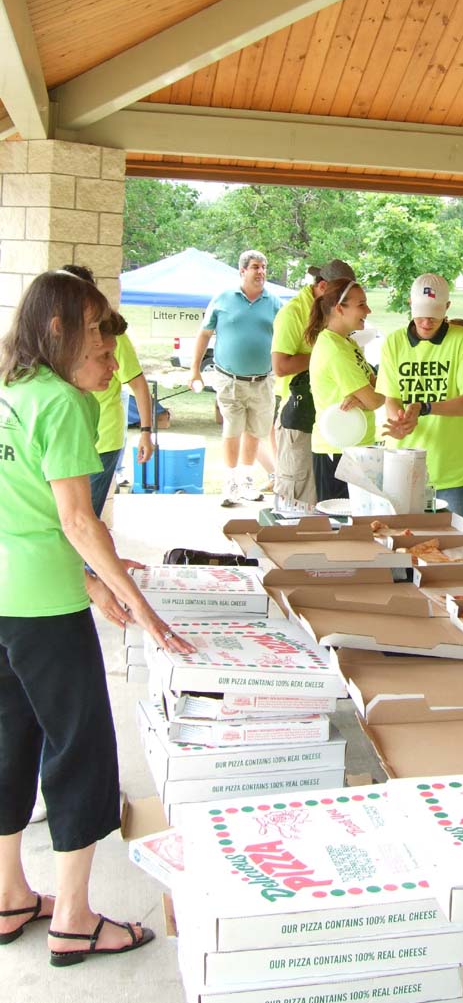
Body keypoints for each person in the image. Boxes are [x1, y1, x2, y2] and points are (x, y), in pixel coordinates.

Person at [0, 271, 193, 964]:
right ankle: (74, 916)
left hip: (5, 599)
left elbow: (24, 513)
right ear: (58, 332)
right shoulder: (60, 402)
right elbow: (78, 521)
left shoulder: (9, 391)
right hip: (44, 609)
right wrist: (138, 606)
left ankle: (10, 892)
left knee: (10, 739)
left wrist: (94, 580)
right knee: (80, 749)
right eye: (100, 341)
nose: (111, 361)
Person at [377, 273, 463, 522]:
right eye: (420, 315)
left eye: (434, 316)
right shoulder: (394, 343)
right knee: (398, 552)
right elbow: (391, 398)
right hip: (402, 469)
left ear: (447, 308)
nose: (426, 322)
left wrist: (425, 408)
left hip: (450, 472)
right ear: (410, 304)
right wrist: (398, 422)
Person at [189, 250, 283, 507]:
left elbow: (286, 337)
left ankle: (245, 482)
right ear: (242, 271)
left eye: (264, 267)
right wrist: (194, 369)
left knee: (254, 433)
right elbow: (204, 335)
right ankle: (229, 483)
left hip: (263, 381)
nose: (261, 272)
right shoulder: (223, 299)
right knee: (232, 429)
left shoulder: (274, 302)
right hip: (229, 379)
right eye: (255, 267)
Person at [62, 266, 155, 516]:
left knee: (86, 516)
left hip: (103, 440)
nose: (112, 365)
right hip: (71, 440)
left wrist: (146, 432)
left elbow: (138, 384)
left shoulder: (114, 336)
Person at [271, 260, 357, 507]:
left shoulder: (332, 311)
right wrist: (325, 355)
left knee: (327, 499)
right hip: (300, 416)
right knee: (298, 496)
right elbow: (280, 365)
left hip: (331, 417)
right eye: (339, 293)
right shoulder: (293, 313)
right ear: (321, 286)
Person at [306, 278, 384, 502]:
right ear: (340, 308)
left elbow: (377, 383)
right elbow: (375, 399)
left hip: (355, 448)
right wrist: (369, 396)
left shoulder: (346, 343)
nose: (368, 310)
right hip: (339, 449)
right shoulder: (334, 348)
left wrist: (371, 394)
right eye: (361, 304)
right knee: (343, 529)